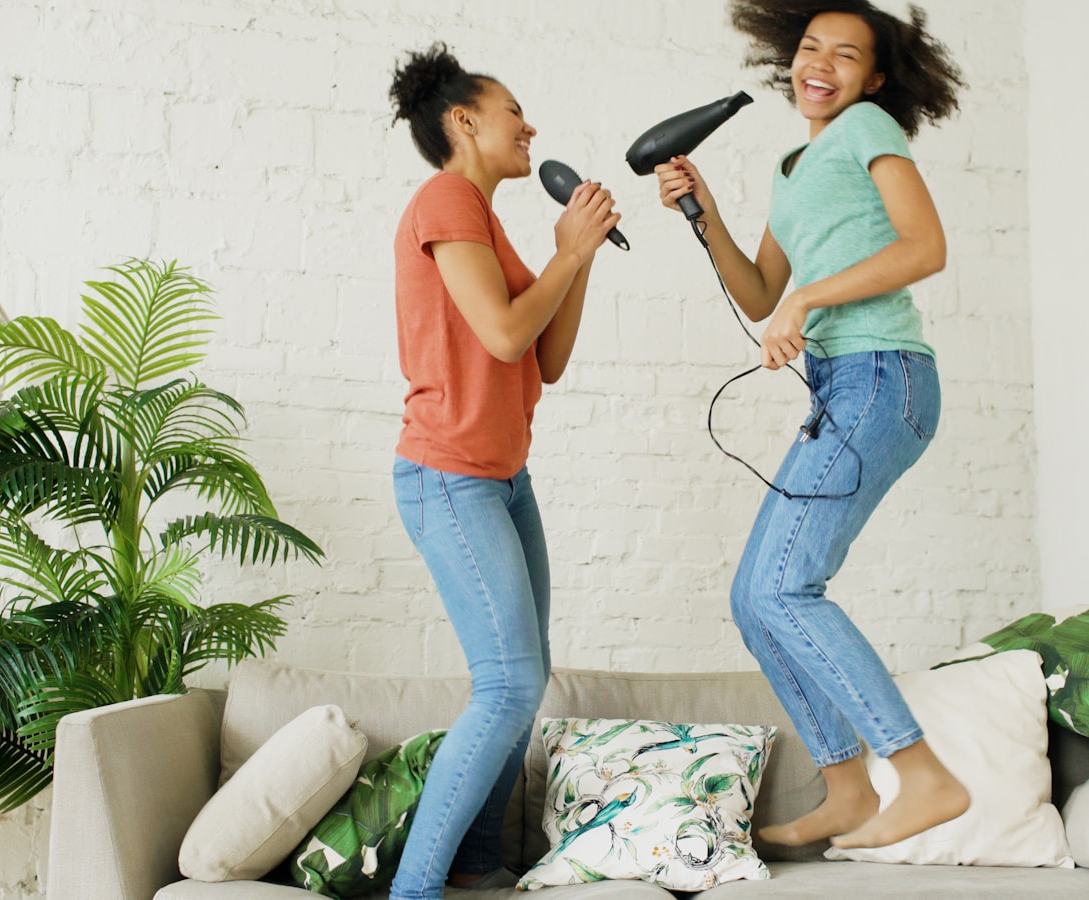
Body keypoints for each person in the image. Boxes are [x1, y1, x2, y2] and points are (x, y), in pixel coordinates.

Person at [654, 0, 969, 850]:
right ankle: (846, 787)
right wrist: (704, 209)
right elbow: (759, 291)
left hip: (883, 374)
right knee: (755, 599)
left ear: (874, 78)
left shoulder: (870, 126)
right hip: (841, 385)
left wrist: (811, 298)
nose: (818, 63)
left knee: (782, 587)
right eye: (808, 48)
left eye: (845, 54)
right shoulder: (796, 167)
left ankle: (924, 775)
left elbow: (925, 246)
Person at [386, 43, 620, 898]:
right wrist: (565, 251)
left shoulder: (487, 220)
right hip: (448, 475)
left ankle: (479, 863)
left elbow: (546, 356)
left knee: (526, 679)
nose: (530, 126)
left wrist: (579, 255)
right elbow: (504, 333)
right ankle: (416, 890)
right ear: (463, 121)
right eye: (513, 109)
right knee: (511, 680)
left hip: (502, 479)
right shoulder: (446, 198)